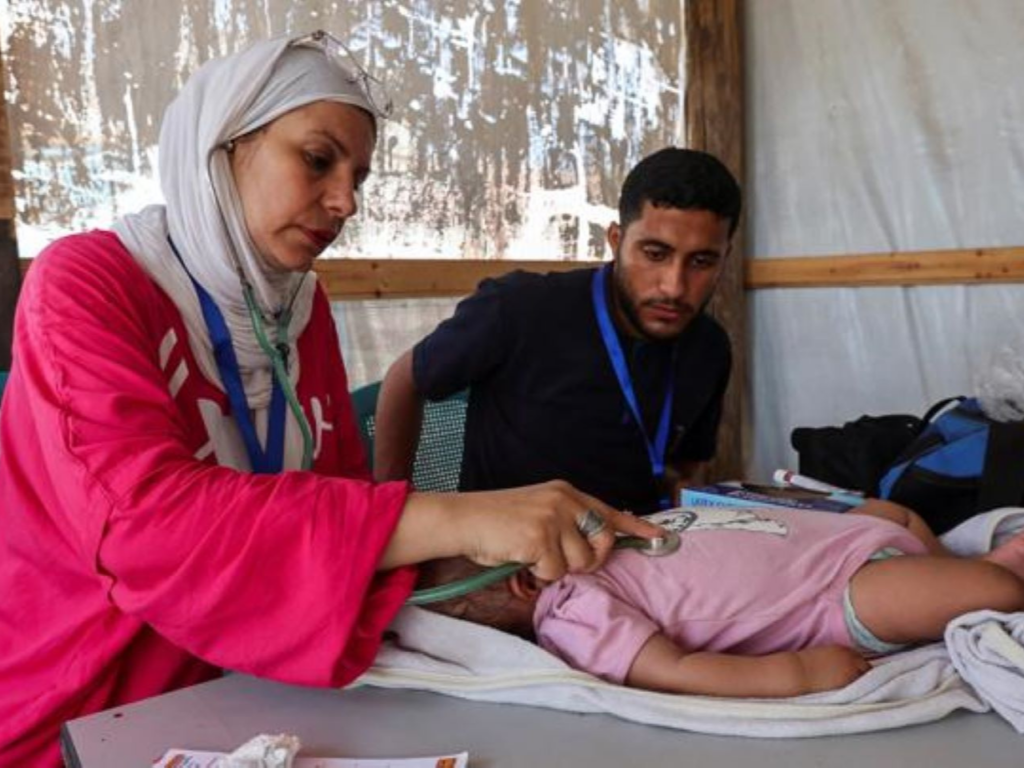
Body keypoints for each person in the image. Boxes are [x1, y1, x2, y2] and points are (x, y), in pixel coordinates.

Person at [0, 31, 660, 767]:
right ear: (226, 147)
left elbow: (331, 515)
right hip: (85, 710)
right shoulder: (85, 283)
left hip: (250, 693)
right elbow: (143, 526)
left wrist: (464, 579)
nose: (345, 201)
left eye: (359, 176)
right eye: (317, 159)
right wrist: (463, 515)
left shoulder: (297, 310)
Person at [374, 148, 741, 515]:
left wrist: (687, 498)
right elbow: (405, 381)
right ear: (615, 240)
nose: (674, 287)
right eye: (655, 254)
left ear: (725, 256)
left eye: (701, 262)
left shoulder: (709, 348)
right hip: (509, 558)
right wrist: (395, 517)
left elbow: (684, 468)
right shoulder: (519, 308)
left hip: (638, 550)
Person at [416, 501, 1024, 698]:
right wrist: (799, 672)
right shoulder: (570, 616)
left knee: (892, 512)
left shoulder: (592, 539)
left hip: (840, 541)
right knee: (996, 590)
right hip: (836, 594)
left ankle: (957, 572)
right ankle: (980, 576)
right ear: (525, 580)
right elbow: (676, 671)